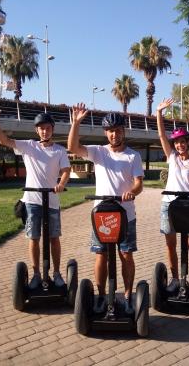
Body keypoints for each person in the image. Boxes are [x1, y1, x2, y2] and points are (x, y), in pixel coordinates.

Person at [67, 103, 144, 314]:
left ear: (123, 131)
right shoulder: (98, 152)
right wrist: (76, 123)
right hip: (101, 215)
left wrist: (132, 192)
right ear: (106, 133)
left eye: (118, 130)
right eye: (110, 131)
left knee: (126, 255)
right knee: (101, 255)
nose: (114, 134)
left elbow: (139, 183)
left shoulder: (133, 156)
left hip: (125, 214)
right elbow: (73, 148)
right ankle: (101, 296)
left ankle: (128, 295)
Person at [0, 110, 71, 289]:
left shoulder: (59, 151)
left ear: (52, 129)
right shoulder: (28, 146)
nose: (45, 132)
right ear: (37, 131)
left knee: (54, 238)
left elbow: (65, 171)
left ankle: (56, 273)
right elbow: (4, 141)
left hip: (52, 201)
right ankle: (36, 275)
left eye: (48, 128)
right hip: (32, 201)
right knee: (34, 238)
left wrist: (61, 184)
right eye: (41, 129)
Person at [156, 98, 189, 295]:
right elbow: (161, 135)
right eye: (176, 143)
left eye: (182, 142)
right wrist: (159, 112)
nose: (179, 146)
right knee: (170, 244)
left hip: (188, 205)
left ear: (188, 143)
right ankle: (175, 279)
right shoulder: (172, 158)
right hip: (169, 204)